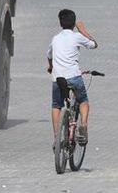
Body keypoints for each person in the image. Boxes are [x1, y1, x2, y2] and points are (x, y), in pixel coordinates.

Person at [47, 9, 97, 146]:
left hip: (58, 79)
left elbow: (49, 55)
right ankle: (84, 125)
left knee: (56, 105)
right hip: (74, 77)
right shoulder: (77, 36)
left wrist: (51, 67)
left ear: (60, 23)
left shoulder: (55, 38)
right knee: (83, 101)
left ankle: (57, 138)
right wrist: (82, 30)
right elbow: (94, 45)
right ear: (74, 23)